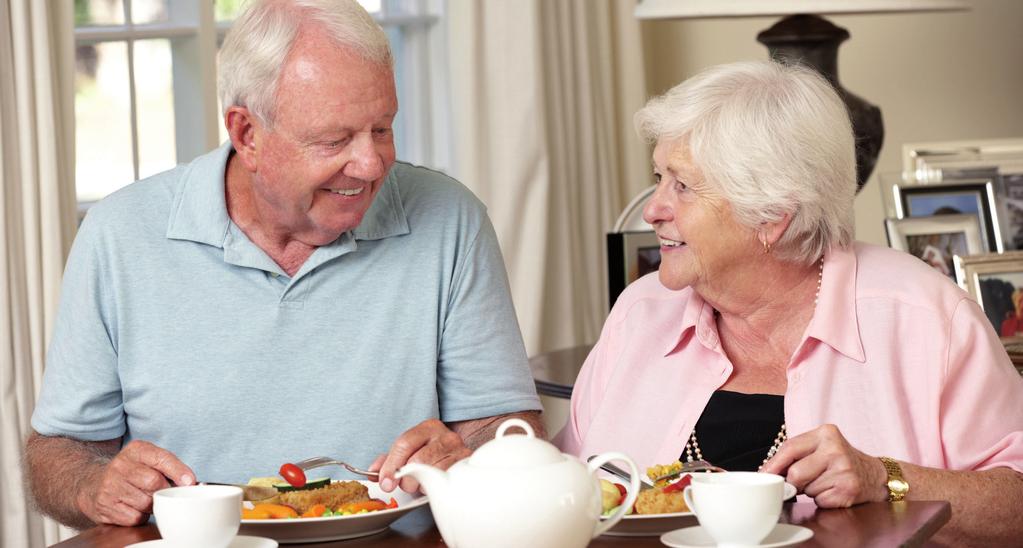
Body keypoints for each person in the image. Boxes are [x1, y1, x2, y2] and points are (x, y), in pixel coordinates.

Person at [25, 0, 543, 530]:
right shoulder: (120, 233)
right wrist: (93, 485)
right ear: (247, 133)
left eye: (382, 129)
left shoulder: (450, 219)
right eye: (334, 140)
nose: (370, 165)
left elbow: (506, 429)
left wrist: (471, 455)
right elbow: (57, 454)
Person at [555, 61, 1023, 545]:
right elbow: (564, 484)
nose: (652, 209)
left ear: (772, 216)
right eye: (658, 178)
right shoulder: (640, 312)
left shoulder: (925, 319)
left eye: (682, 186)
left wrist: (887, 480)